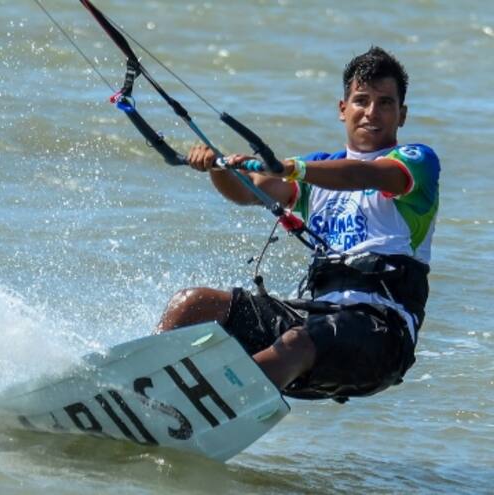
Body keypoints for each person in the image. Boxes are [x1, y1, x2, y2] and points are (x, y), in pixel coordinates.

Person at [157, 46, 440, 402]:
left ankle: (208, 408)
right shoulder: (319, 169)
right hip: (317, 322)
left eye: (385, 103)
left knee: (295, 342)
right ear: (343, 109)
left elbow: (364, 173)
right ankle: (137, 388)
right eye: (361, 100)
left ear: (402, 115)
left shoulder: (417, 163)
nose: (371, 112)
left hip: (381, 336)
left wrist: (296, 168)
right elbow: (250, 190)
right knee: (192, 304)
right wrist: (218, 168)